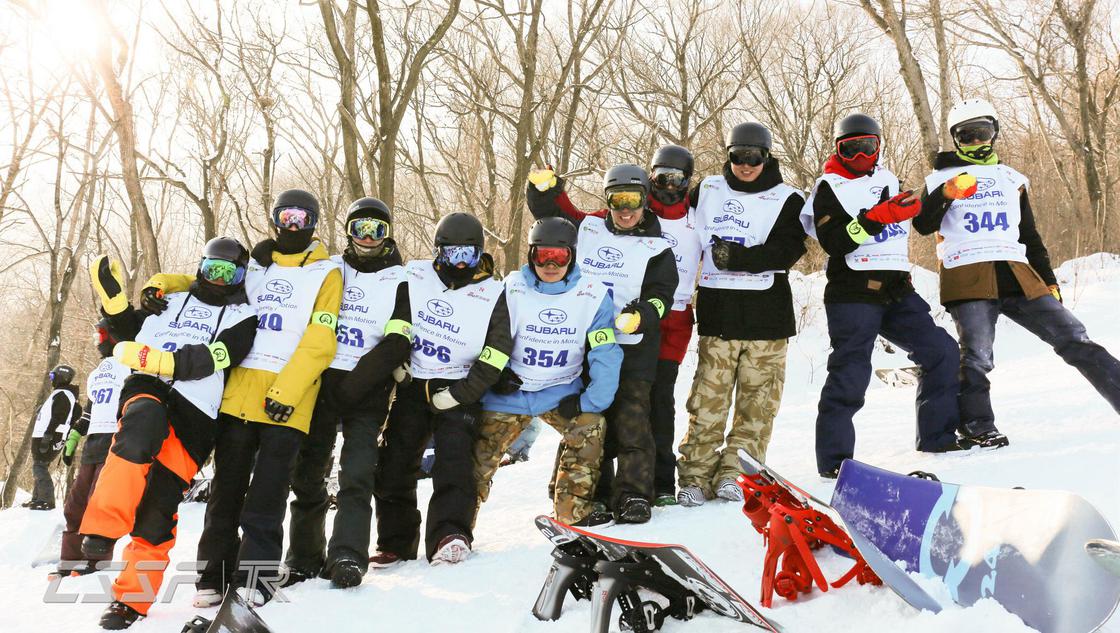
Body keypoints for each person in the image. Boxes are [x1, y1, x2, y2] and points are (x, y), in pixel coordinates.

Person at [914, 98, 1120, 443]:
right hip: (968, 275)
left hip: (1018, 273)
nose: (976, 142)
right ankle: (978, 426)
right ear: (956, 140)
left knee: (1073, 336)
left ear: (994, 133)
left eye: (983, 132)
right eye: (967, 136)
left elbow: (1029, 236)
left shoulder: (1012, 179)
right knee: (977, 355)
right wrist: (946, 194)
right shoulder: (939, 179)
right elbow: (922, 224)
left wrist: (1049, 281)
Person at [174, 189, 344, 608]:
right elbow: (204, 282)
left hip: (290, 398)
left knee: (268, 491)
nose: (292, 226)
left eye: (301, 218)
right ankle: (212, 576)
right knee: (225, 491)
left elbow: (321, 339)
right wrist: (162, 284)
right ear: (274, 219)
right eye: (286, 216)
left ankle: (257, 576)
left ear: (313, 223)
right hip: (237, 396)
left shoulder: (326, 273)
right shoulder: (254, 268)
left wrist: (287, 390)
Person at [78, 239, 257, 629]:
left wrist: (170, 360)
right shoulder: (170, 300)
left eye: (230, 272)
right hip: (150, 387)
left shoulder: (243, 316)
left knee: (159, 506)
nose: (219, 279)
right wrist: (114, 303)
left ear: (241, 276)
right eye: (213, 269)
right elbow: (128, 332)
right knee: (139, 430)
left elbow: (220, 356)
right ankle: (102, 529)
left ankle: (131, 600)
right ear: (201, 267)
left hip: (198, 410)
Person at [528, 146, 701, 506]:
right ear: (607, 200)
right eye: (617, 200)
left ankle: (635, 494)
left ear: (645, 201)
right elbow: (549, 216)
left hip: (634, 346)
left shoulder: (657, 246)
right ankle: (592, 490)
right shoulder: (589, 228)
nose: (625, 210)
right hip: (587, 346)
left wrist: (642, 315)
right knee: (590, 418)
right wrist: (542, 188)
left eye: (633, 200)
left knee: (634, 418)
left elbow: (662, 295)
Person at [801, 113, 968, 479]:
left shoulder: (889, 179)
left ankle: (937, 438)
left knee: (941, 350)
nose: (860, 155)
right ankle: (835, 460)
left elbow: (918, 218)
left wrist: (943, 195)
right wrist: (875, 217)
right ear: (838, 150)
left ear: (878, 147)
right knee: (851, 371)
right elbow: (835, 242)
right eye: (851, 148)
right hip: (853, 291)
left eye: (867, 147)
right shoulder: (829, 187)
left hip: (895, 289)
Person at [676, 122, 807, 506]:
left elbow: (787, 251)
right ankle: (695, 476)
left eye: (754, 158)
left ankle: (738, 471)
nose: (746, 165)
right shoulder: (708, 191)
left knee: (757, 404)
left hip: (767, 317)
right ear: (728, 156)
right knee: (707, 402)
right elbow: (677, 227)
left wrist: (740, 258)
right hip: (720, 315)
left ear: (766, 158)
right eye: (738, 157)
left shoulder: (788, 198)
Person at [284, 197, 411, 589]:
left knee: (356, 472)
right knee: (308, 471)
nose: (368, 239)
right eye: (360, 230)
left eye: (377, 231)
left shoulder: (401, 279)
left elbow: (397, 341)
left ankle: (347, 554)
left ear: (387, 236)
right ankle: (304, 556)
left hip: (367, 386)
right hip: (320, 381)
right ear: (348, 233)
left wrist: (356, 385)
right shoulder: (329, 269)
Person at [371, 212, 512, 566]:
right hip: (414, 380)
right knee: (394, 461)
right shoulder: (416, 275)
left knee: (454, 459)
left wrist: (463, 392)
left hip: (459, 384)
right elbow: (397, 317)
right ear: (438, 252)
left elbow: (496, 352)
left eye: (469, 254)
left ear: (480, 254)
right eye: (452, 255)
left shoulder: (494, 293)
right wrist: (397, 362)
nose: (460, 263)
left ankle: (451, 533)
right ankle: (395, 542)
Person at [473, 217, 622, 527]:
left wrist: (588, 403)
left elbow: (605, 353)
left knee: (590, 428)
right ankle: (458, 526)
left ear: (572, 256)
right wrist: (496, 375)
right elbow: (489, 336)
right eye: (543, 256)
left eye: (560, 256)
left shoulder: (592, 295)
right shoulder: (512, 288)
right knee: (477, 457)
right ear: (531, 255)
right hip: (511, 392)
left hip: (560, 391)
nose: (550, 265)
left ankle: (571, 513)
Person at [52, 320, 129, 578]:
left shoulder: (130, 366)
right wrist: (75, 434)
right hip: (93, 442)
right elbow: (90, 409)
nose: (98, 340)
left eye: (102, 335)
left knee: (99, 503)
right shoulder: (97, 373)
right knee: (75, 505)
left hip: (115, 441)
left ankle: (95, 562)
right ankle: (70, 561)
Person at [26, 365, 80, 510]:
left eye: (53, 376)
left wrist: (48, 434)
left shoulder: (63, 394)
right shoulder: (64, 394)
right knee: (40, 465)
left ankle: (46, 500)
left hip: (49, 435)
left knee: (39, 466)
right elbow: (75, 413)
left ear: (62, 377)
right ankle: (37, 498)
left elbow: (59, 417)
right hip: (46, 435)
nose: (51, 379)